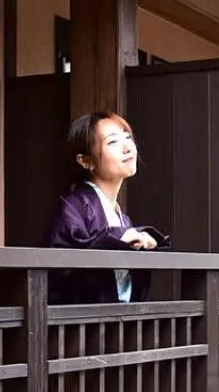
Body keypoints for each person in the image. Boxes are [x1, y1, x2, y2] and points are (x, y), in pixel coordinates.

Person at [42, 111, 169, 304]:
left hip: (113, 324)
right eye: (113, 142)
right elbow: (65, 263)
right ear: (85, 161)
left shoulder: (121, 217)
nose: (127, 147)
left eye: (127, 137)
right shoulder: (74, 206)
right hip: (81, 326)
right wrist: (119, 239)